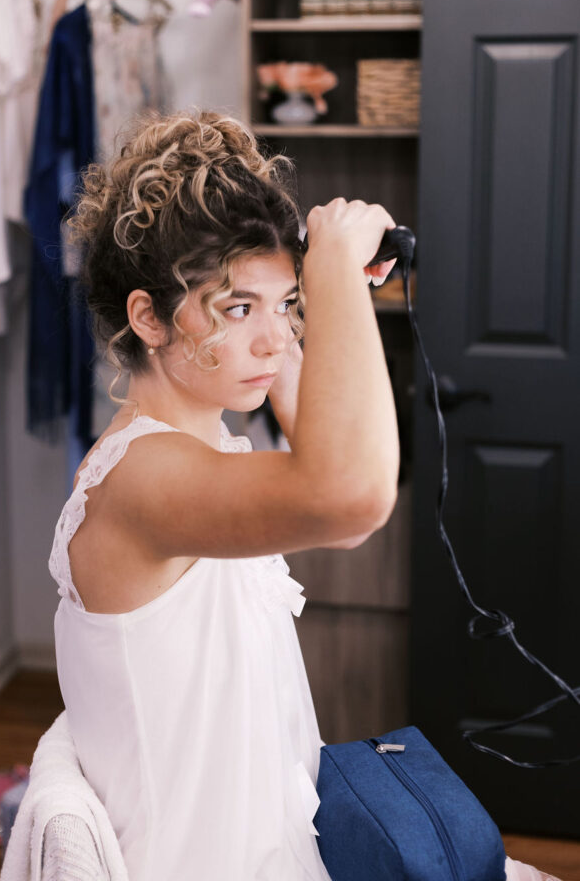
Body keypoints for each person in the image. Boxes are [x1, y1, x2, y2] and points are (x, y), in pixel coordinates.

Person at [46, 108, 562, 881]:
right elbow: (350, 495)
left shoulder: (203, 450)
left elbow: (344, 515)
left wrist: (317, 277)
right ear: (148, 317)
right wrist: (331, 277)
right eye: (236, 308)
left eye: (284, 306)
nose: (276, 338)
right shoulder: (141, 479)